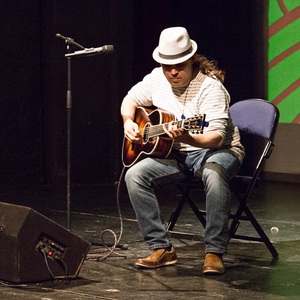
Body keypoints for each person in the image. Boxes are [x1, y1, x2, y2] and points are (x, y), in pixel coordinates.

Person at [120, 27, 245, 274]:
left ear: (191, 60)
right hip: (175, 153)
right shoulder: (157, 78)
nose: (173, 72)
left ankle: (214, 252)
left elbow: (217, 139)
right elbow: (130, 99)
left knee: (214, 175)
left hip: (216, 151)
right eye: (167, 67)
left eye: (179, 66)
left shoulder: (210, 88)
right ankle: (161, 248)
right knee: (134, 176)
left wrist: (187, 135)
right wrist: (128, 122)